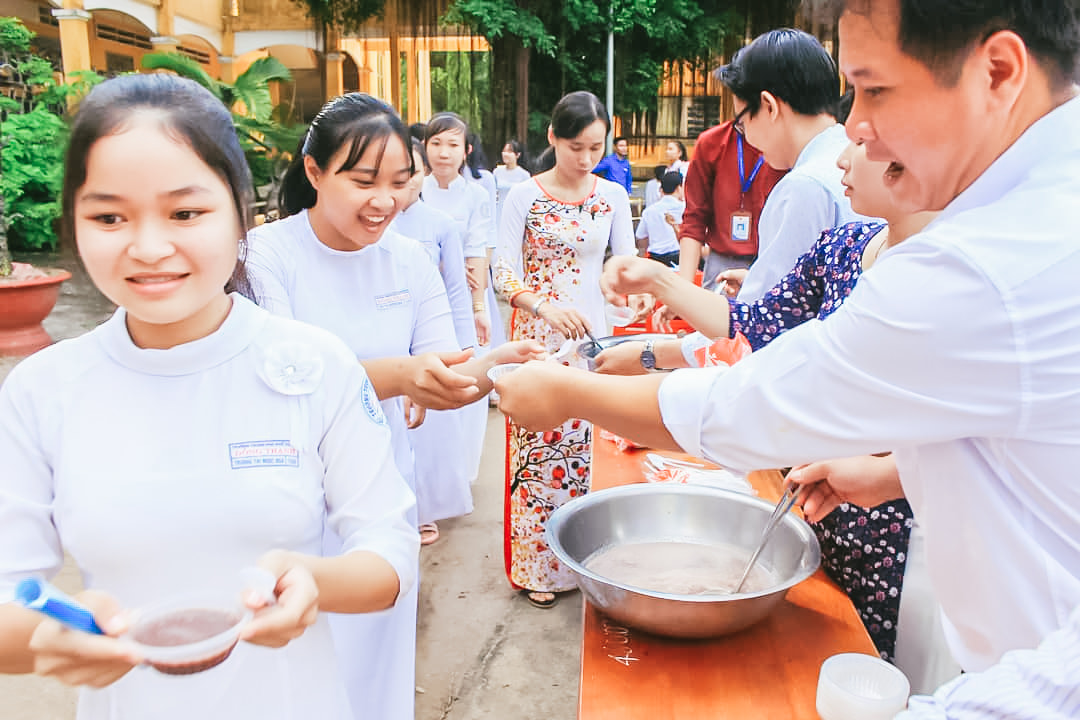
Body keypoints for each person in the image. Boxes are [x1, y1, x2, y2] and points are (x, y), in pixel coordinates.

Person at [495, 0, 1080, 715]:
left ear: (997, 72)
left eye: (873, 89)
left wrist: (567, 392)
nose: (852, 129)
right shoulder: (1026, 216)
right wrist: (890, 473)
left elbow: (755, 401)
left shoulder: (987, 260)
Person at [0, 74, 418, 720]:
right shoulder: (41, 392)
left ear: (241, 209)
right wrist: (42, 637)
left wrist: (314, 581)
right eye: (109, 216)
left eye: (185, 212)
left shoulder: (318, 365)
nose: (147, 248)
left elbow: (389, 551)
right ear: (74, 221)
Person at [597, 141, 959, 691]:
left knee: (887, 682)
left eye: (860, 143)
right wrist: (659, 281)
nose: (840, 158)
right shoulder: (846, 246)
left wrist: (884, 473)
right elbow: (755, 327)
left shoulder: (955, 279)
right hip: (826, 504)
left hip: (907, 534)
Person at [245, 93, 540, 720]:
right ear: (314, 172)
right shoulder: (265, 254)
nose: (385, 202)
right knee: (293, 666)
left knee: (375, 668)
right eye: (363, 181)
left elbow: (445, 369)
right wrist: (402, 378)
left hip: (380, 493)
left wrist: (500, 362)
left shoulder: (409, 257)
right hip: (287, 491)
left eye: (401, 184)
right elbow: (284, 378)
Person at [492, 90, 637, 609]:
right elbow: (502, 272)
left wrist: (636, 290)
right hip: (536, 341)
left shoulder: (612, 196)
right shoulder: (523, 197)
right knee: (536, 455)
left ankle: (586, 563)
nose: (585, 159)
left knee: (586, 456)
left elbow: (625, 266)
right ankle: (538, 568)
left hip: (593, 341)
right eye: (575, 146)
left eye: (596, 147)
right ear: (552, 137)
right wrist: (543, 307)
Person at [718, 28, 865, 302]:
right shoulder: (856, 161)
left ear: (769, 106)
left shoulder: (803, 187)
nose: (746, 136)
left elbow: (762, 319)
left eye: (742, 122)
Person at [390, 139, 477, 545]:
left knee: (424, 428)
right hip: (387, 331)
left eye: (409, 175)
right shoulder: (374, 221)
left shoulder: (439, 224)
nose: (400, 186)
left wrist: (463, 341)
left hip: (427, 332)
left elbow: (456, 289)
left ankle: (424, 507)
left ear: (421, 175)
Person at [674, 120, 784, 292]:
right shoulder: (712, 142)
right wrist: (682, 291)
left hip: (771, 261)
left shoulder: (785, 144)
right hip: (720, 263)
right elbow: (694, 218)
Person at [635, 170, 685, 269]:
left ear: (661, 189)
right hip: (679, 258)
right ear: (679, 188)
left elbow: (640, 237)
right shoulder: (685, 209)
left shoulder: (649, 211)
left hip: (655, 259)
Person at [493, 139, 531, 221]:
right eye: (504, 151)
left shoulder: (524, 175)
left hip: (516, 214)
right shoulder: (497, 172)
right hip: (498, 212)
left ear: (517, 155)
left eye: (509, 152)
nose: (505, 154)